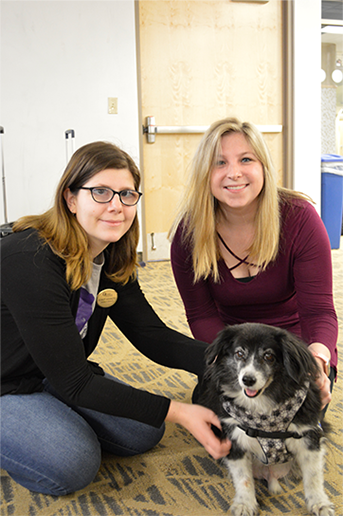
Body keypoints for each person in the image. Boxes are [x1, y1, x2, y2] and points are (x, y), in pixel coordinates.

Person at [0, 141, 231, 496]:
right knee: (73, 463)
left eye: (127, 195)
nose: (116, 207)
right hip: (6, 381)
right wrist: (181, 412)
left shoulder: (109, 255)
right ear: (71, 198)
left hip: (49, 370)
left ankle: (47, 411)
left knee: (145, 431)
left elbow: (153, 335)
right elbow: (77, 384)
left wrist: (228, 363)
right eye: (101, 192)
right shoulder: (31, 258)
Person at [169, 117, 338, 409]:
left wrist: (318, 360)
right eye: (219, 163)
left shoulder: (300, 219)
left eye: (246, 159)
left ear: (263, 167)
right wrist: (233, 361)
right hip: (234, 351)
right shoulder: (189, 234)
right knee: (226, 425)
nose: (234, 173)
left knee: (294, 421)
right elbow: (201, 315)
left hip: (292, 347)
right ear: (204, 174)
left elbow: (319, 311)